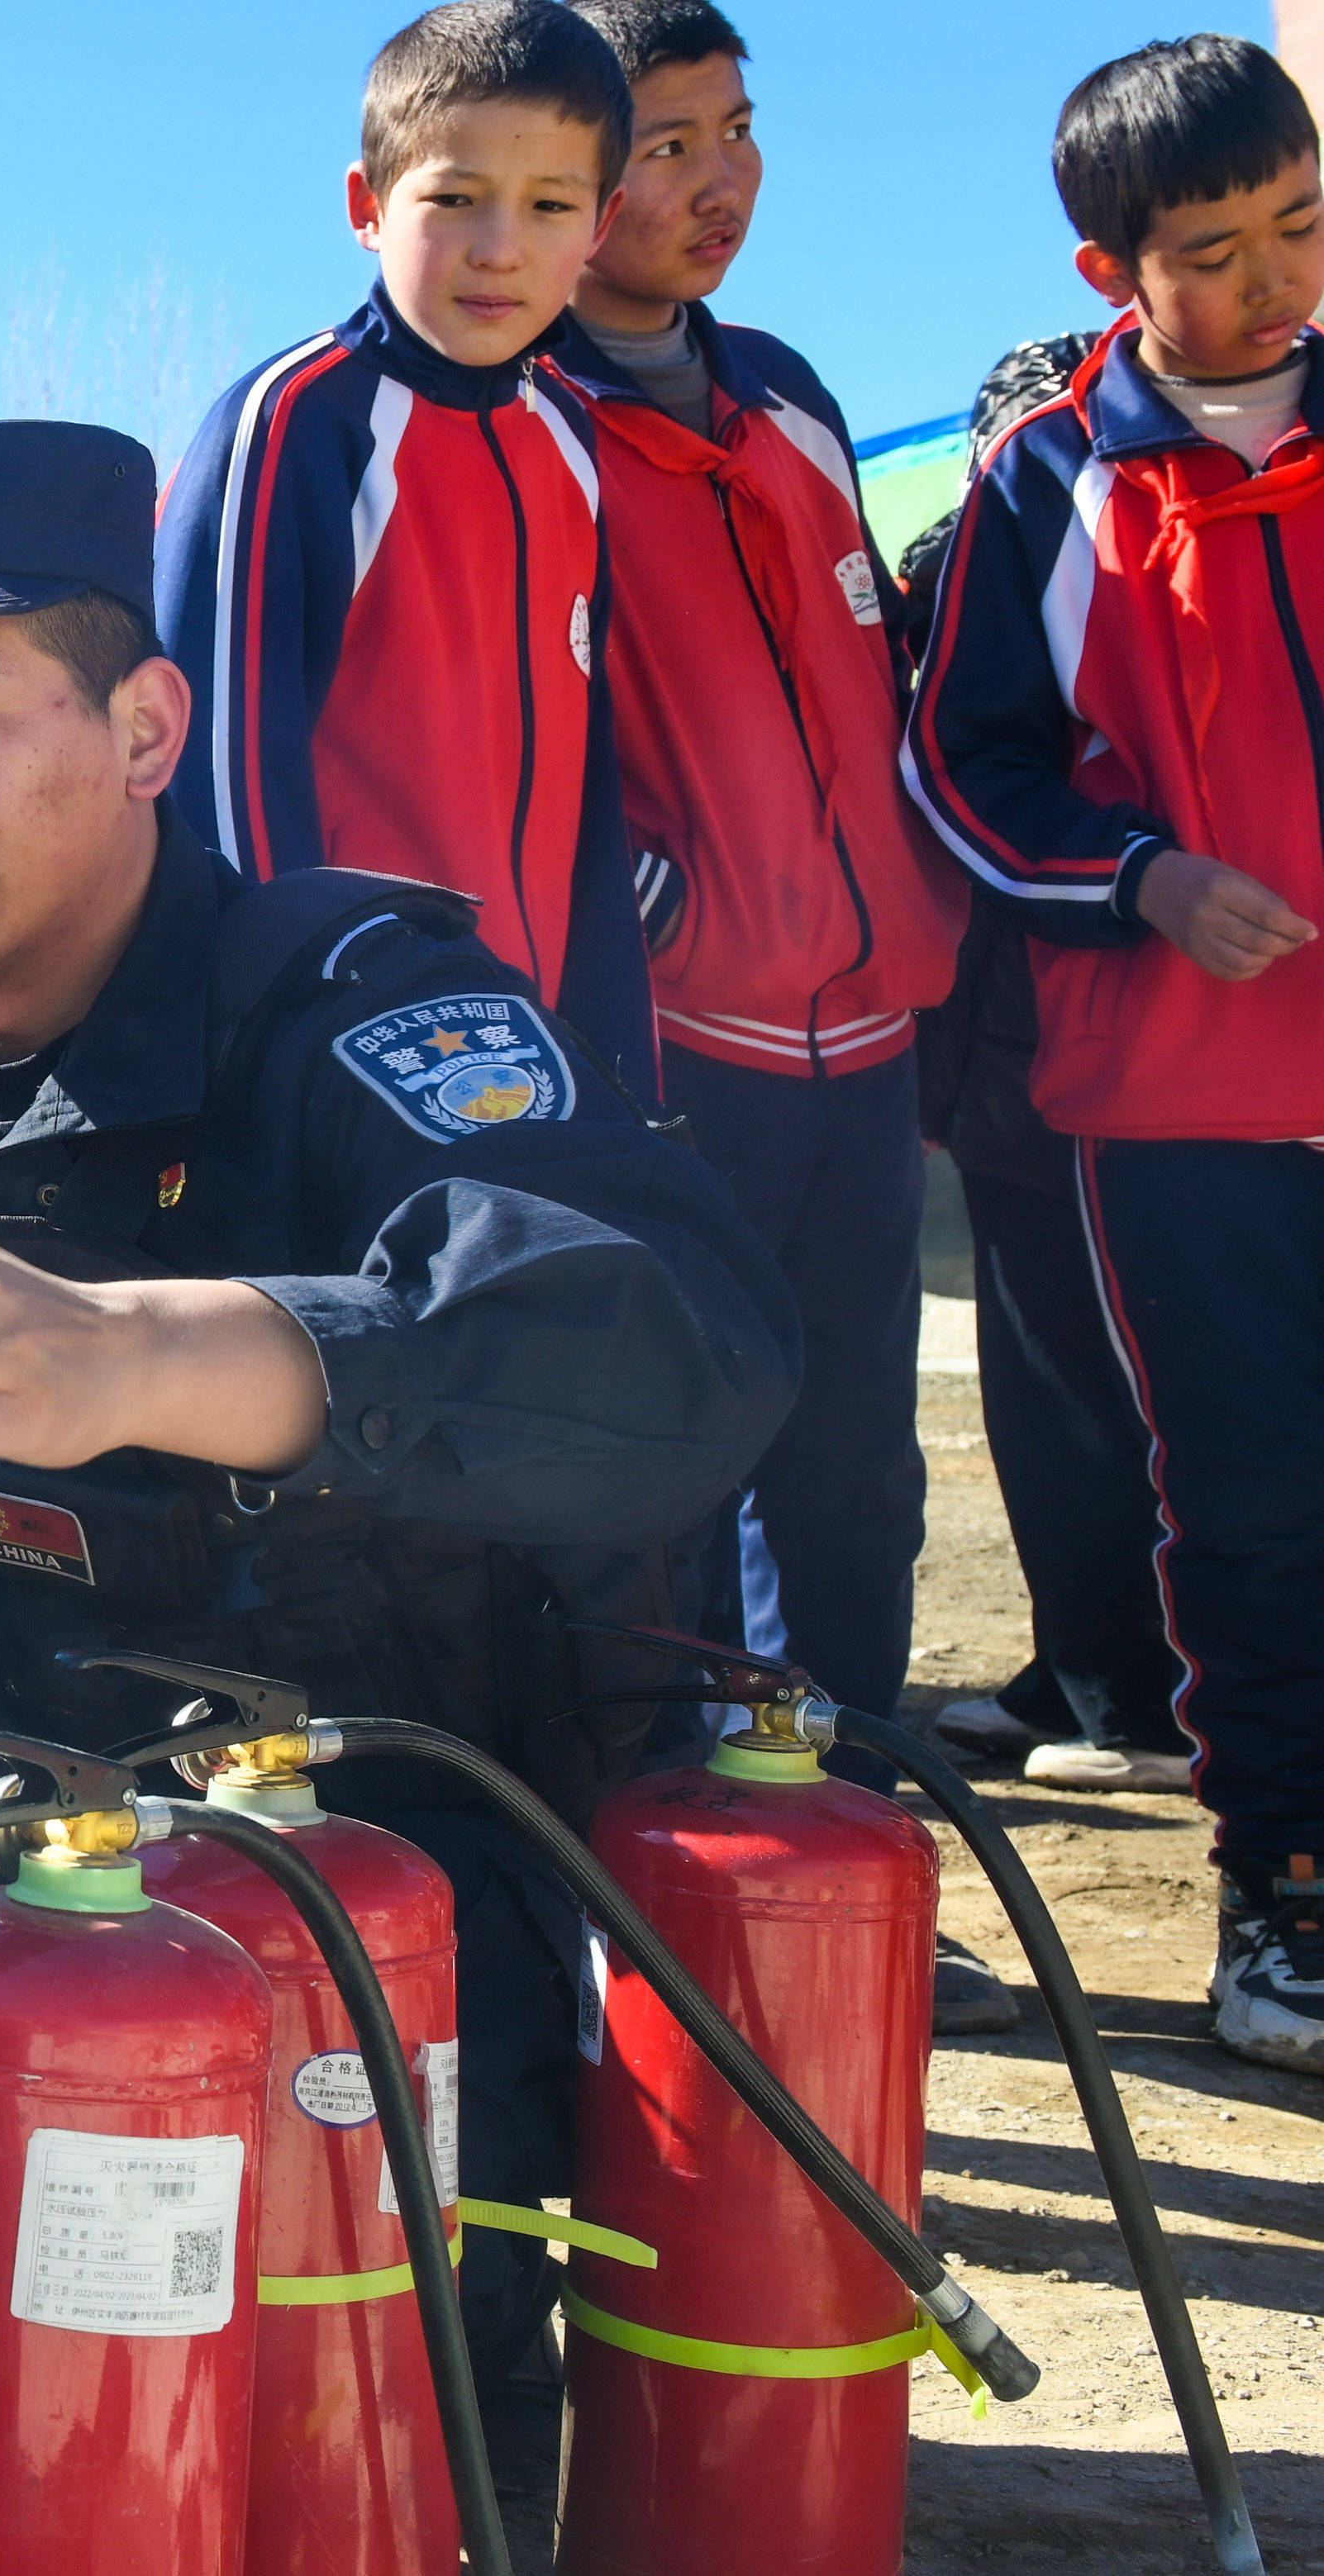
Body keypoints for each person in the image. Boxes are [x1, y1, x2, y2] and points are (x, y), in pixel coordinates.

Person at [0, 423, 793, 2534]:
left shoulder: (349, 1005)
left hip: (367, 1945)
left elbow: (682, 1337)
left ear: (145, 725)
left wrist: (157, 1352)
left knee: (342, 2477)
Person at [902, 30, 1324, 2075]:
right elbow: (958, 765)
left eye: (1300, 226)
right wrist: (1139, 879)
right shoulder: (1046, 476)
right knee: (1248, 1492)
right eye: (1214, 252)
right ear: (1110, 277)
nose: (1266, 284)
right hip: (1183, 1097)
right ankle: (1286, 1899)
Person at [549, 0, 969, 1756]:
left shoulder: (787, 394)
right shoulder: (527, 423)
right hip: (681, 1047)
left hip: (866, 1024)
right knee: (698, 1459)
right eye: (669, 146)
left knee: (862, 1467)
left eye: (737, 129)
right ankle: (725, 1861)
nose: (724, 178)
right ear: (574, 181)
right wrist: (642, 919)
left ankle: (856, 1813)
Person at [156, 0, 655, 1091]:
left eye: (549, 204)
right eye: (455, 198)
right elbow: (217, 789)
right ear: (368, 205)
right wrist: (289, 1063)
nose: (499, 247)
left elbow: (587, 786)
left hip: (541, 1057)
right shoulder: (292, 424)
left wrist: (622, 1064)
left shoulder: (571, 435)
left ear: (601, 223)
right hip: (350, 1065)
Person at [903, 332, 1190, 1797]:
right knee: (1057, 1370)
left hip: (1085, 1027)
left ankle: (1131, 1684)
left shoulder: (1108, 566)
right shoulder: (971, 563)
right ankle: (1090, 1657)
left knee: (1101, 1374)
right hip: (1004, 1040)